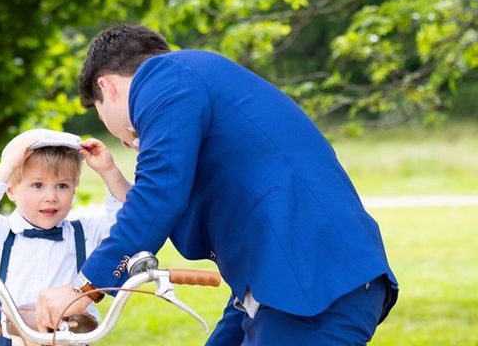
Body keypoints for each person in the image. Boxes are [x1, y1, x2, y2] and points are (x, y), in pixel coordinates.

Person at [35, 25, 399, 345]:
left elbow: (159, 197)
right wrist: (115, 177)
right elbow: (167, 201)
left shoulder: (162, 78)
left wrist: (84, 287)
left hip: (310, 286)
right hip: (278, 286)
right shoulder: (191, 77)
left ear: (106, 87)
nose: (125, 135)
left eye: (102, 116)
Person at [0, 128, 130, 345]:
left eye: (62, 186)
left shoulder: (85, 234)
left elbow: (127, 220)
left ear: (74, 190)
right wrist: (8, 166)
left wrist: (109, 170)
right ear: (10, 190)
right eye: (37, 185)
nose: (51, 197)